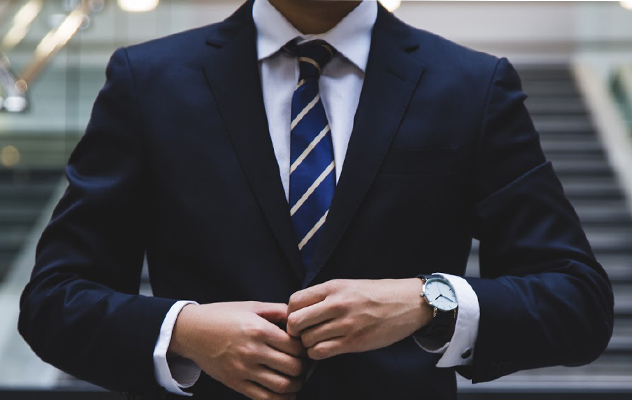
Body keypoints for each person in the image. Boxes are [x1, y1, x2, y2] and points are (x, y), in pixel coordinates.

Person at [18, 1, 614, 400]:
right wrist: (184, 330)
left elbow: (577, 300)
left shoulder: (472, 85)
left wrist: (431, 300)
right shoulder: (147, 81)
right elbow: (53, 300)